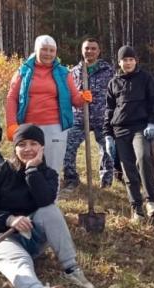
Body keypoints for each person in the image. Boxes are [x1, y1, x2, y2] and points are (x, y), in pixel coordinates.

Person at [0, 124, 95, 288]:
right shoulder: (0, 172)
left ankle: (72, 269)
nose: (28, 149)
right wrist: (9, 220)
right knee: (20, 261)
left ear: (42, 147)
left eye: (34, 144)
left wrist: (32, 171)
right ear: (15, 148)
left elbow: (45, 200)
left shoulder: (49, 174)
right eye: (22, 144)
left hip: (31, 237)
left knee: (50, 210)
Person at [5, 35, 92, 175]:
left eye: (52, 50)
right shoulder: (23, 71)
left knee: (52, 169)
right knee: (27, 167)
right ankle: (28, 196)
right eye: (44, 49)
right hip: (29, 126)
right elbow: (12, 98)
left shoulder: (63, 73)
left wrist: (83, 97)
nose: (48, 54)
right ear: (36, 50)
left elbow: (75, 99)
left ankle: (52, 197)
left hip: (55, 126)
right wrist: (11, 124)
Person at [104, 45, 154, 220]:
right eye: (125, 60)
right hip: (120, 130)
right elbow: (109, 110)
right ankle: (136, 207)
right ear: (119, 62)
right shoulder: (113, 83)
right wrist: (108, 135)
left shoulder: (145, 79)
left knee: (144, 157)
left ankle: (150, 200)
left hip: (141, 128)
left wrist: (152, 123)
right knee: (127, 167)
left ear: (136, 61)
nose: (128, 63)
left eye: (131, 59)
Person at [62, 38, 116, 191]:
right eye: (87, 48)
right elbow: (67, 96)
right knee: (68, 147)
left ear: (98, 51)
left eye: (93, 48)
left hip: (102, 118)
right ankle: (71, 179)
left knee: (107, 150)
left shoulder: (108, 71)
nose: (90, 51)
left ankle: (106, 181)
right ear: (82, 50)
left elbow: (116, 93)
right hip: (79, 117)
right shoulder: (73, 72)